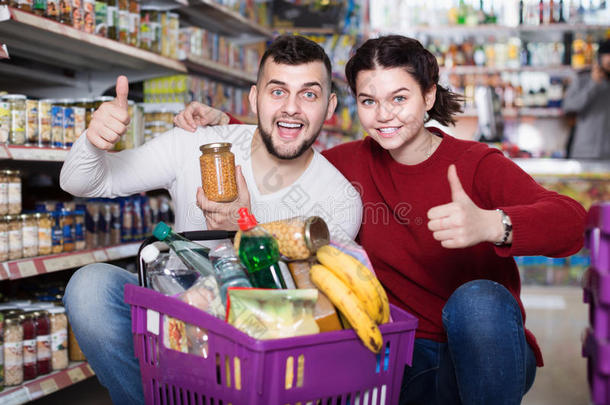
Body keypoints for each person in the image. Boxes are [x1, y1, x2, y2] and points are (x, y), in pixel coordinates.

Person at [175, 35, 586, 405]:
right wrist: (224, 127)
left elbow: (571, 223)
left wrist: (492, 225)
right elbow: (287, 144)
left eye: (399, 98)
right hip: (393, 351)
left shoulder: (476, 164)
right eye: (369, 101)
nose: (384, 115)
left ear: (428, 96)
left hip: (481, 349)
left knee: (478, 299)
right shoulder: (343, 164)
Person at [59, 35, 363, 405]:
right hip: (174, 325)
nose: (291, 109)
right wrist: (93, 140)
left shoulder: (339, 197)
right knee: (91, 286)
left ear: (330, 106)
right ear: (254, 98)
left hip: (263, 350)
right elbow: (85, 181)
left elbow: (308, 313)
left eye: (309, 95)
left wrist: (246, 227)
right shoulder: (197, 145)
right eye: (278, 91)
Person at [563, 39, 610, 159]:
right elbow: (569, 106)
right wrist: (593, 84)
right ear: (599, 59)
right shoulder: (582, 79)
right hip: (585, 153)